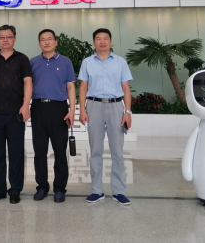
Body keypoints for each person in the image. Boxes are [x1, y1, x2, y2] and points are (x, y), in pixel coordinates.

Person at [79, 28, 133, 206]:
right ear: (93, 42)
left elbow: (126, 88)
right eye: (98, 38)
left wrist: (127, 112)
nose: (102, 41)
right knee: (95, 150)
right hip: (93, 106)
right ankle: (96, 191)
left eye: (105, 38)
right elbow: (83, 88)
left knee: (117, 150)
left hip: (116, 106)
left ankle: (119, 191)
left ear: (110, 41)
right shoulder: (87, 62)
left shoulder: (120, 62)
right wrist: (82, 111)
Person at [0, 25, 33, 205]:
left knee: (16, 153)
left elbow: (28, 82)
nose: (5, 40)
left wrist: (25, 105)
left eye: (9, 36)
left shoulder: (22, 59)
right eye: (2, 37)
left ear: (14, 39)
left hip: (16, 113)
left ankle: (15, 190)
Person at [30, 29, 76, 204]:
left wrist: (72, 110)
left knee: (60, 151)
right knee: (39, 151)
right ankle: (42, 187)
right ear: (39, 43)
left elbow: (70, 86)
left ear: (56, 42)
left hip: (59, 108)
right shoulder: (33, 62)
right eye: (43, 39)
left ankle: (59, 188)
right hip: (38, 107)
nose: (47, 42)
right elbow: (28, 85)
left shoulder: (65, 61)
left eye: (50, 39)